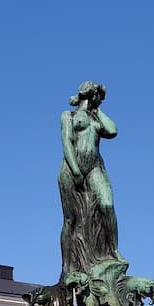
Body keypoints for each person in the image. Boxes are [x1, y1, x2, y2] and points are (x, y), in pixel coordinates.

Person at [58, 81, 123, 276]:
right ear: (90, 94)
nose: (99, 100)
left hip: (94, 167)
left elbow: (112, 131)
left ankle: (113, 251)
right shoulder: (68, 115)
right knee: (70, 220)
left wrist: (98, 110)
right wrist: (76, 170)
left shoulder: (96, 117)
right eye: (98, 97)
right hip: (71, 168)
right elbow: (67, 142)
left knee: (107, 205)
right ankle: (67, 267)